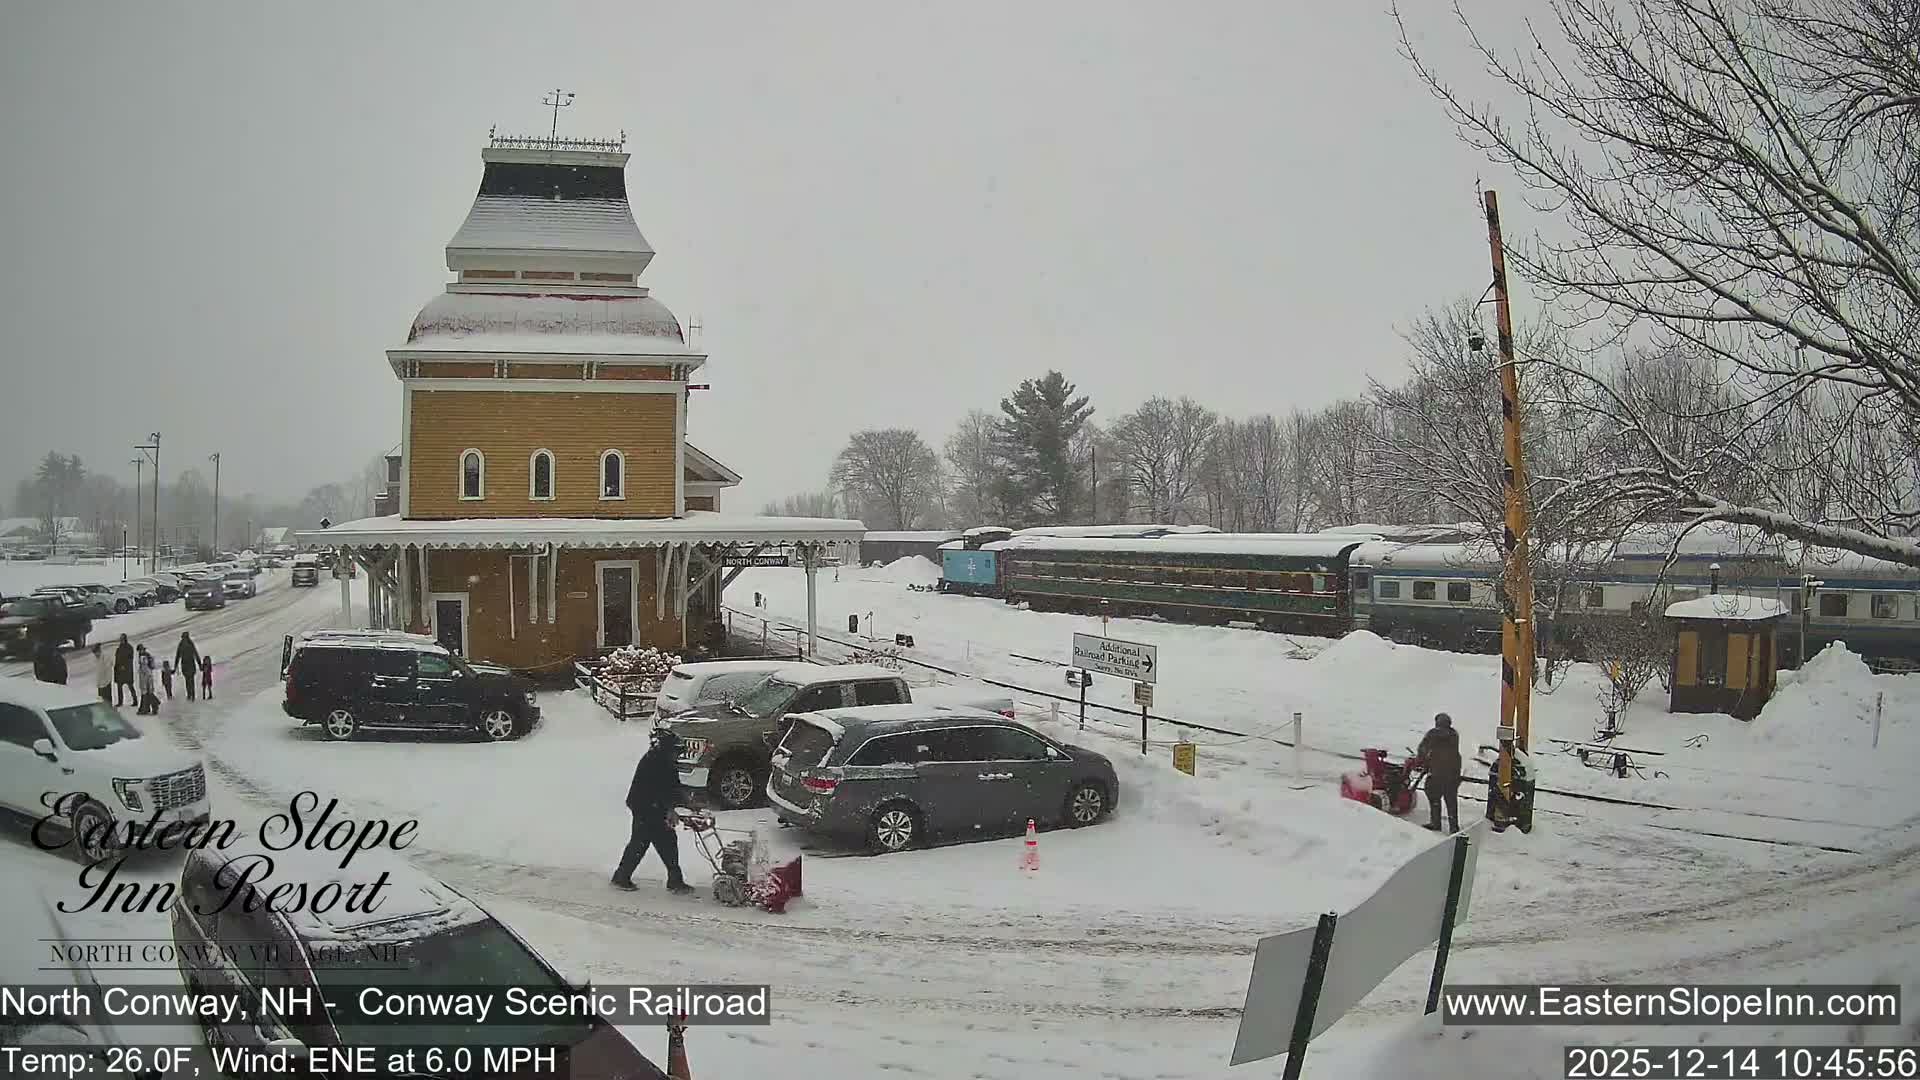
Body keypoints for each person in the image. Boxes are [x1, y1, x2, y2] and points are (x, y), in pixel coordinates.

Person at [612, 727, 693, 894]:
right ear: (668, 749)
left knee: (663, 842)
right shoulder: (655, 762)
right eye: (676, 752)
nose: (678, 755)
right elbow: (660, 790)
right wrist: (670, 809)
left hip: (654, 806)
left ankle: (674, 880)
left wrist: (688, 801)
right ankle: (622, 877)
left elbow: (673, 786)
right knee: (642, 843)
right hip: (644, 806)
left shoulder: (666, 761)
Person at [1416, 711, 1463, 833]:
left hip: (1437, 773)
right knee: (1451, 800)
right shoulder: (1454, 735)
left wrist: (1422, 760)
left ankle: (1436, 822)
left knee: (1434, 797)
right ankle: (1454, 826)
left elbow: (1422, 749)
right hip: (1453, 774)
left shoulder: (1433, 734)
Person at [175, 632, 200, 701]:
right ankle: (190, 694)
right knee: (189, 680)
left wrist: (199, 664)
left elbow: (195, 654)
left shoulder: (184, 644)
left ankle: (191, 695)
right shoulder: (188, 644)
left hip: (188, 664)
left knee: (190, 680)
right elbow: (178, 656)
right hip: (187, 665)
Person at [135, 645, 158, 715]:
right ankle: (150, 707)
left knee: (146, 693)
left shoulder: (143, 657)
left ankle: (150, 706)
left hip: (145, 676)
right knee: (148, 692)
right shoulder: (147, 655)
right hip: (148, 675)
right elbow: (151, 666)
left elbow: (144, 668)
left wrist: (143, 675)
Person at [113, 635, 135, 707]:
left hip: (127, 671)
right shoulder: (119, 648)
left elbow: (130, 659)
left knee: (130, 686)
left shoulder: (129, 648)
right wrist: (116, 668)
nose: (121, 640)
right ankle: (120, 702)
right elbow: (117, 659)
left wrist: (124, 666)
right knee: (119, 687)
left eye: (122, 639)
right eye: (120, 639)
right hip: (119, 671)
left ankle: (135, 700)